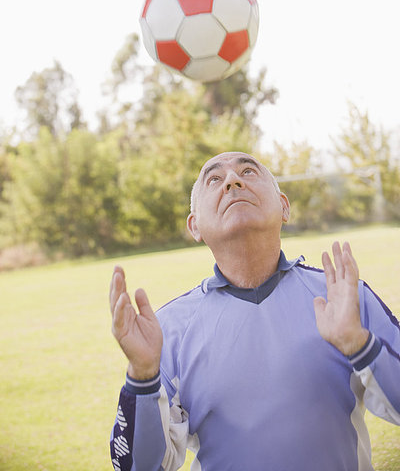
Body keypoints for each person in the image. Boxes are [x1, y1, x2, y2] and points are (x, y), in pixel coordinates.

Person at [109, 151, 400, 471]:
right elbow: (139, 467)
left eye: (248, 172)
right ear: (195, 226)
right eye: (215, 179)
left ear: (284, 206)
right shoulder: (168, 330)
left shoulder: (343, 296)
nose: (232, 180)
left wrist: (359, 344)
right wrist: (142, 378)